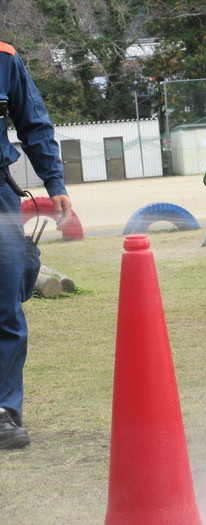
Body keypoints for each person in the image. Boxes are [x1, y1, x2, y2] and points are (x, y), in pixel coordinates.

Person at [0, 42, 72, 449]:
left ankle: (4, 411)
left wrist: (54, 182)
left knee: (5, 304)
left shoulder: (5, 59)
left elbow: (35, 123)